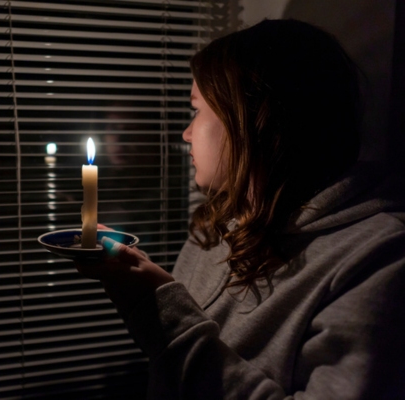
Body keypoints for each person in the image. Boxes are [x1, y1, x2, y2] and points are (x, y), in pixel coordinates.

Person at [75, 19, 405, 399]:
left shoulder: (378, 259)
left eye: (196, 110)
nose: (185, 134)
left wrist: (163, 310)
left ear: (249, 120)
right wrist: (142, 291)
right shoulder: (216, 228)